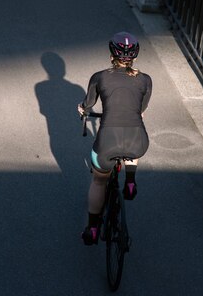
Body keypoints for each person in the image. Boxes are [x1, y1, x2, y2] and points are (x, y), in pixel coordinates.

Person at [77, 31, 152, 246]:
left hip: (107, 143)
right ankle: (130, 181)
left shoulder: (99, 77)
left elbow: (88, 105)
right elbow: (141, 109)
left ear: (112, 54)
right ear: (134, 57)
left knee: (99, 180)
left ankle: (92, 229)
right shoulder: (146, 80)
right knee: (132, 141)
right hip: (138, 141)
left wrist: (82, 110)